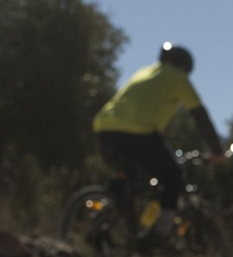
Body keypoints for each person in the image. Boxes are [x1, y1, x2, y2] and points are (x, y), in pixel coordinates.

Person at [92, 42, 224, 238]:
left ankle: (103, 218)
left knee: (129, 177)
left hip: (104, 128)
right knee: (173, 176)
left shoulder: (144, 72)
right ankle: (159, 235)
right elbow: (200, 116)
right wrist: (217, 149)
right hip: (138, 131)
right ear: (184, 66)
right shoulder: (178, 78)